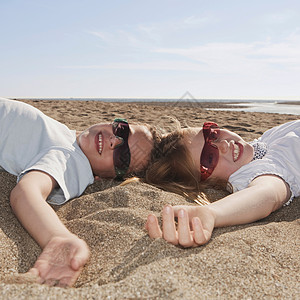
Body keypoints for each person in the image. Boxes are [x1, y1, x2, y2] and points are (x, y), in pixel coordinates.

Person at [0, 97, 155, 287]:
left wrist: (57, 237)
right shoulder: (70, 140)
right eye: (122, 130)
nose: (114, 140)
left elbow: (26, 191)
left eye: (123, 157)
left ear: (106, 178)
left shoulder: (72, 161)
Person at [145, 120, 299, 248]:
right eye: (209, 158)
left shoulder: (263, 140)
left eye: (213, 135)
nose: (224, 145)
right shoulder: (250, 172)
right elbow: (268, 192)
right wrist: (213, 212)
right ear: (210, 183)